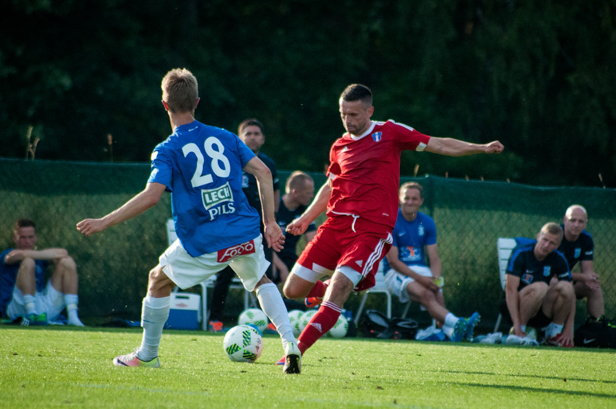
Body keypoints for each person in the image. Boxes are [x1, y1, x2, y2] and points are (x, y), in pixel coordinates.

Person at [76, 68, 301, 374]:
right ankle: (290, 344)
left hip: (206, 241)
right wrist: (270, 222)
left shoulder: (167, 149)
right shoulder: (226, 136)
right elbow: (263, 172)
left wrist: (105, 220)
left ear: (165, 105)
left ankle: (147, 354)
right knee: (260, 280)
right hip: (245, 231)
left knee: (158, 280)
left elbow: (152, 196)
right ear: (197, 101)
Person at [280, 83, 504, 362]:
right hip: (334, 227)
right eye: (343, 114)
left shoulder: (390, 132)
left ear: (370, 111)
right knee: (292, 290)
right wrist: (304, 219)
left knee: (338, 289)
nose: (348, 120)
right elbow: (330, 186)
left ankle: (295, 351)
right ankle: (328, 291)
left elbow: (439, 143)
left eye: (354, 114)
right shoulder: (339, 145)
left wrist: (480, 148)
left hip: (369, 231)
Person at [382, 182, 479, 342]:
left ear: (421, 201)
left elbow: (434, 257)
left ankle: (452, 333)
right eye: (406, 198)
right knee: (427, 293)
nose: (410, 202)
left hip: (421, 270)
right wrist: (423, 281)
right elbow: (393, 262)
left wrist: (435, 278)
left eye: (414, 198)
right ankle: (459, 322)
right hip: (395, 273)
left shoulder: (427, 222)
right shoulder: (391, 221)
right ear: (399, 199)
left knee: (436, 292)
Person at [208, 118, 280, 332]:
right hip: (233, 228)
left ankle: (271, 321)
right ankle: (215, 320)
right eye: (248, 133)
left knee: (265, 271)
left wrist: (272, 221)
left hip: (261, 228)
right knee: (225, 273)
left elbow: (274, 193)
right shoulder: (228, 162)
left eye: (256, 133)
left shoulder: (268, 164)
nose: (252, 137)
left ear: (263, 139)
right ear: (240, 138)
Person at [502, 223, 575, 347]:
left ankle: (553, 334)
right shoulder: (520, 253)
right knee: (541, 286)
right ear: (538, 237)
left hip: (541, 309)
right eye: (545, 239)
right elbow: (510, 290)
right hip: (513, 308)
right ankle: (519, 332)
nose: (546, 245)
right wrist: (517, 325)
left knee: (567, 287)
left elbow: (571, 296)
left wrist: (569, 328)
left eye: (552, 243)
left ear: (557, 246)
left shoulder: (559, 258)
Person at [0, 219, 84, 326]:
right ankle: (31, 314)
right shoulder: (7, 254)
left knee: (67, 261)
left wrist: (36, 254)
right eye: (23, 237)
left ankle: (73, 317)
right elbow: (12, 257)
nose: (27, 241)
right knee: (28, 261)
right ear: (14, 238)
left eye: (30, 237)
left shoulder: (39, 256)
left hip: (41, 303)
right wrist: (36, 255)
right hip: (17, 307)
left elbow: (63, 252)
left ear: (35, 238)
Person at [558, 205, 604, 320]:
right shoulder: (555, 236)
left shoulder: (586, 239)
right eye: (572, 220)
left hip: (568, 280)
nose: (576, 224)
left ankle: (598, 327)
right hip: (549, 281)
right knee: (565, 286)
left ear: (585, 223)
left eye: (580, 221)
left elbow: (588, 272)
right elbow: (553, 274)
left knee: (594, 287)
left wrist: (590, 278)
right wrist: (582, 277)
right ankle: (557, 327)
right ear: (565, 220)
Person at [274, 171, 317, 284]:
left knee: (313, 272)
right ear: (295, 193)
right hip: (270, 257)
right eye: (308, 193)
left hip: (290, 259)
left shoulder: (305, 211)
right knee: (270, 272)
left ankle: (315, 301)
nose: (312, 196)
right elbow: (262, 244)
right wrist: (281, 268)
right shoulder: (274, 208)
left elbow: (313, 243)